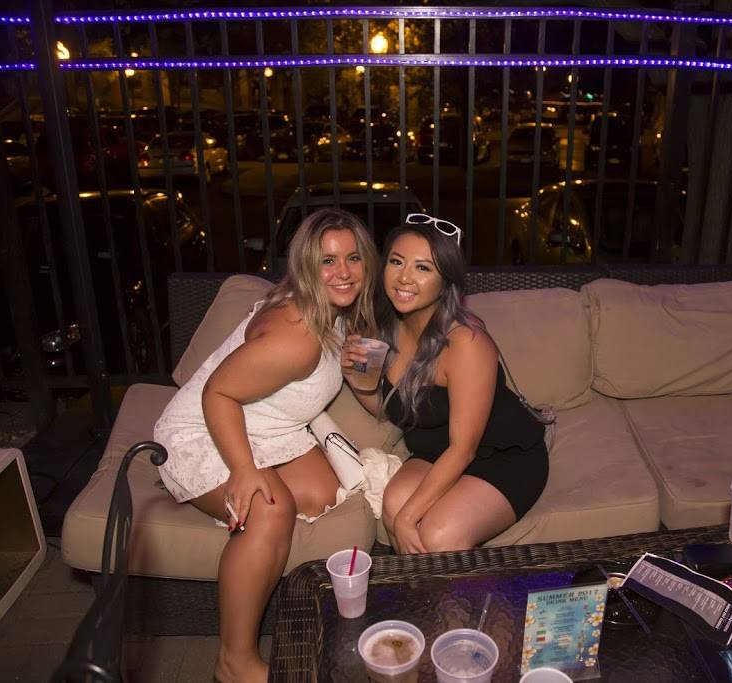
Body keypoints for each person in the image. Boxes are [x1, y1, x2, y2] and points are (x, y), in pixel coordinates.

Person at [153, 208, 379, 683]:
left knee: (322, 493)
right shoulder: (295, 337)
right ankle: (233, 660)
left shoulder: (334, 311)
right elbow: (218, 393)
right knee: (271, 508)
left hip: (268, 429)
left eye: (353, 258)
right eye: (327, 261)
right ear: (305, 266)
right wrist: (243, 470)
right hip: (204, 427)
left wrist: (356, 363)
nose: (343, 272)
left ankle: (233, 511)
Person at [341, 213, 549, 554]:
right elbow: (389, 409)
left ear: (446, 281)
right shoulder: (377, 327)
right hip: (434, 453)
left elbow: (463, 448)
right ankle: (425, 586)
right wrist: (356, 380)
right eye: (396, 261)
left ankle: (462, 590)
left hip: (502, 456)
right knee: (394, 503)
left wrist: (409, 517)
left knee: (437, 533)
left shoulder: (466, 343)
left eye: (423, 268)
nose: (404, 277)